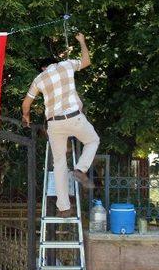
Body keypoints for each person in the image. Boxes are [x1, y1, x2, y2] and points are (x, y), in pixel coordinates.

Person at [22, 33, 100, 216]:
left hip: (54, 124)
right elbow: (86, 61)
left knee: (59, 163)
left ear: (42, 67)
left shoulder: (39, 79)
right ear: (53, 62)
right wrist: (82, 41)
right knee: (92, 140)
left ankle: (64, 207)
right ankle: (81, 169)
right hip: (74, 117)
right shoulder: (66, 65)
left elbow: (26, 104)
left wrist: (26, 117)